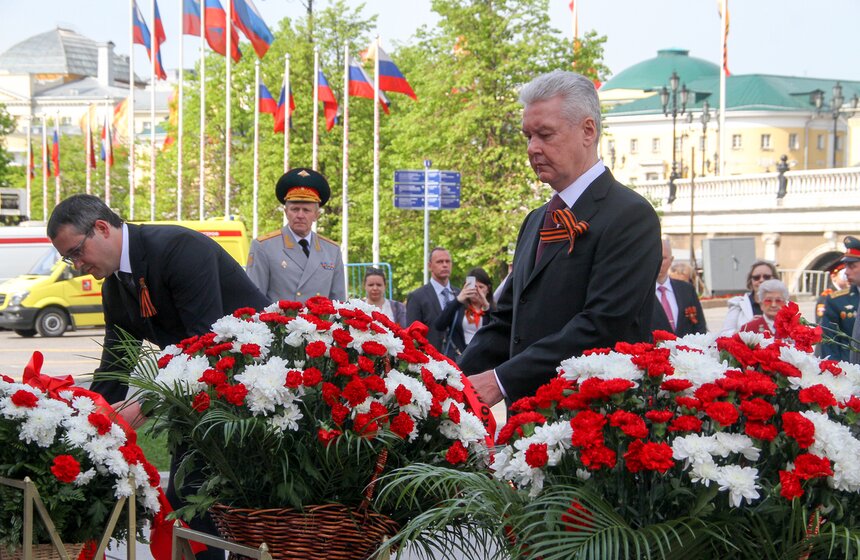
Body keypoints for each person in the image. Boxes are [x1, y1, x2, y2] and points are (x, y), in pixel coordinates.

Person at [48, 194, 269, 560]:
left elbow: (204, 344)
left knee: (202, 498)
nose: (77, 266)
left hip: (257, 389)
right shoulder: (115, 286)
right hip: (201, 395)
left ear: (101, 228)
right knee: (188, 499)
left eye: (76, 252)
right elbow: (115, 365)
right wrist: (87, 422)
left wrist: (144, 405)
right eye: (68, 259)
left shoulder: (179, 249)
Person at [458, 70, 662, 406]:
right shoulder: (535, 220)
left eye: (545, 134)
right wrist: (446, 381)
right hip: (528, 420)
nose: (532, 148)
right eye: (528, 136)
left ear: (588, 131)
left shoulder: (631, 215)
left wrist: (501, 380)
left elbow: (600, 327)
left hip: (592, 419)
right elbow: (506, 322)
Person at [247, 167, 345, 303]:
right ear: (286, 212)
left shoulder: (332, 251)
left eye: (306, 210)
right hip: (281, 317)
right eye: (295, 209)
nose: (300, 215)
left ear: (316, 215)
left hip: (320, 317)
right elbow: (254, 299)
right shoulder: (264, 247)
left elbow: (338, 302)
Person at [651, 238, 707, 337]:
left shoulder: (687, 290)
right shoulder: (641, 294)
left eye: (664, 258)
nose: (659, 262)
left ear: (671, 260)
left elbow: (700, 326)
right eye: (655, 257)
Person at [406, 247, 459, 351]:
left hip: (459, 356)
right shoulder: (417, 297)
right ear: (430, 266)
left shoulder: (460, 295)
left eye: (448, 261)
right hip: (430, 356)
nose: (445, 265)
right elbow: (412, 335)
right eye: (440, 262)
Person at [434, 267, 495, 359]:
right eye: (473, 287)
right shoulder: (458, 307)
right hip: (459, 357)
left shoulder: (492, 310)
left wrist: (486, 305)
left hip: (483, 359)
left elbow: (498, 330)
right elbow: (439, 325)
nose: (476, 291)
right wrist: (458, 300)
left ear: (488, 289)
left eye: (481, 287)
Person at [820, 236, 860, 362]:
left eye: (852, 266)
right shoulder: (836, 301)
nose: (846, 272)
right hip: (850, 369)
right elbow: (829, 344)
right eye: (846, 266)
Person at [719, 260, 779, 336]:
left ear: (775, 279)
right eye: (756, 277)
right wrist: (747, 328)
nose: (761, 280)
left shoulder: (784, 305)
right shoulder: (738, 304)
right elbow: (724, 335)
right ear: (750, 281)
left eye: (766, 277)